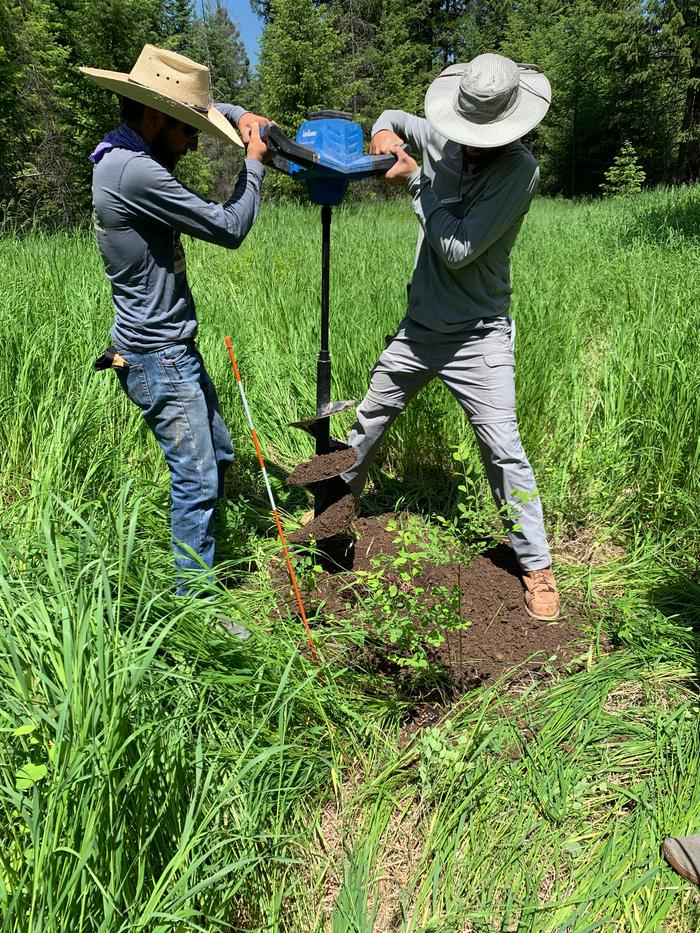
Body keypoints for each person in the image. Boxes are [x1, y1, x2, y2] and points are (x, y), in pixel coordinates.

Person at [340, 53, 560, 621]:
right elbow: (391, 115)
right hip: (419, 330)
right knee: (366, 424)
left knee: (502, 447)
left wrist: (415, 183)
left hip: (478, 335)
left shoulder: (519, 171)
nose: (469, 144)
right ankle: (332, 515)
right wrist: (385, 134)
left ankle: (536, 567)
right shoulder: (440, 129)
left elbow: (458, 249)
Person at [80, 44, 271, 608]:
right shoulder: (135, 173)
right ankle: (197, 605)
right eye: (188, 129)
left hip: (168, 350)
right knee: (197, 478)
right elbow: (231, 227)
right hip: (158, 357)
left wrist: (237, 117)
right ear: (155, 116)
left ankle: (214, 549)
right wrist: (252, 163)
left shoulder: (123, 153)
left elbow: (210, 114)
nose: (193, 141)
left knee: (221, 454)